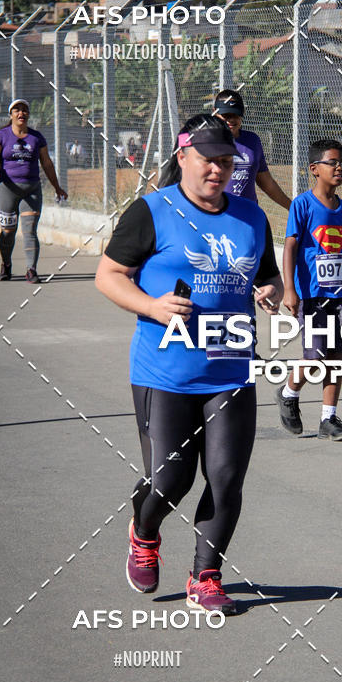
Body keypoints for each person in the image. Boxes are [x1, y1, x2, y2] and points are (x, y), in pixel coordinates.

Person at [95, 114, 283, 615]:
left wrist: (270, 291)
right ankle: (145, 530)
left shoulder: (250, 216)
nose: (217, 170)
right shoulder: (152, 211)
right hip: (166, 373)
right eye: (208, 160)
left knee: (224, 478)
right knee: (171, 479)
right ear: (183, 157)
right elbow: (109, 275)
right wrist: (152, 305)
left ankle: (206, 575)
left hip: (231, 370)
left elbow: (270, 277)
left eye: (226, 161)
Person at [277, 138, 342, 441]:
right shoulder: (302, 205)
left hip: (339, 296)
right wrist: (290, 289)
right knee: (315, 356)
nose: (339, 167)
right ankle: (289, 392)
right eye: (332, 162)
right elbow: (290, 246)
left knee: (336, 357)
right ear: (314, 169)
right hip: (312, 296)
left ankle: (329, 417)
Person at [0, 98, 67, 283]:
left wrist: (57, 187)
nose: (21, 113)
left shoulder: (36, 138)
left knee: (30, 231)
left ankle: (31, 270)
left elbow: (47, 163)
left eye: (24, 110)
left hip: (32, 190)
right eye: (17, 110)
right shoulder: (2, 135)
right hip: (7, 189)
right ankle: (6, 265)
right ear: (11, 115)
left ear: (28, 114)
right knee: (7, 231)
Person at [213, 89, 291, 210]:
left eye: (235, 115)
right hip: (218, 216)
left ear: (242, 113)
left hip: (248, 215)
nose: (231, 120)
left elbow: (267, 183)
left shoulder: (252, 141)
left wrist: (291, 207)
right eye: (225, 115)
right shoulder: (205, 142)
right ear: (214, 112)